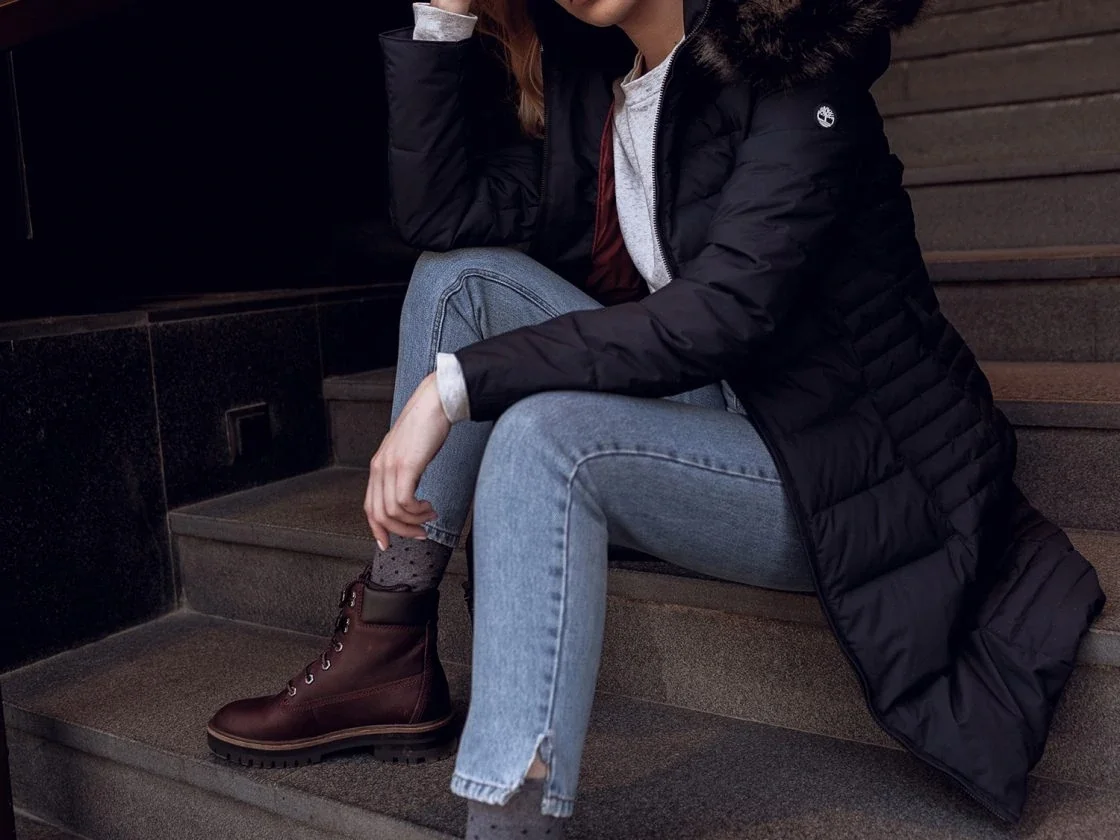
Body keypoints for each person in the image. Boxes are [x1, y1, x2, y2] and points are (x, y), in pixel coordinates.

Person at [206, 0, 1106, 837]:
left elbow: (725, 313)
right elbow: (440, 216)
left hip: (850, 468)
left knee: (541, 439)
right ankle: (392, 637)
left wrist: (454, 389)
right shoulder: (607, 89)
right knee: (459, 281)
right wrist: (441, 17)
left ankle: (509, 821)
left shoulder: (793, 66)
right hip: (726, 408)